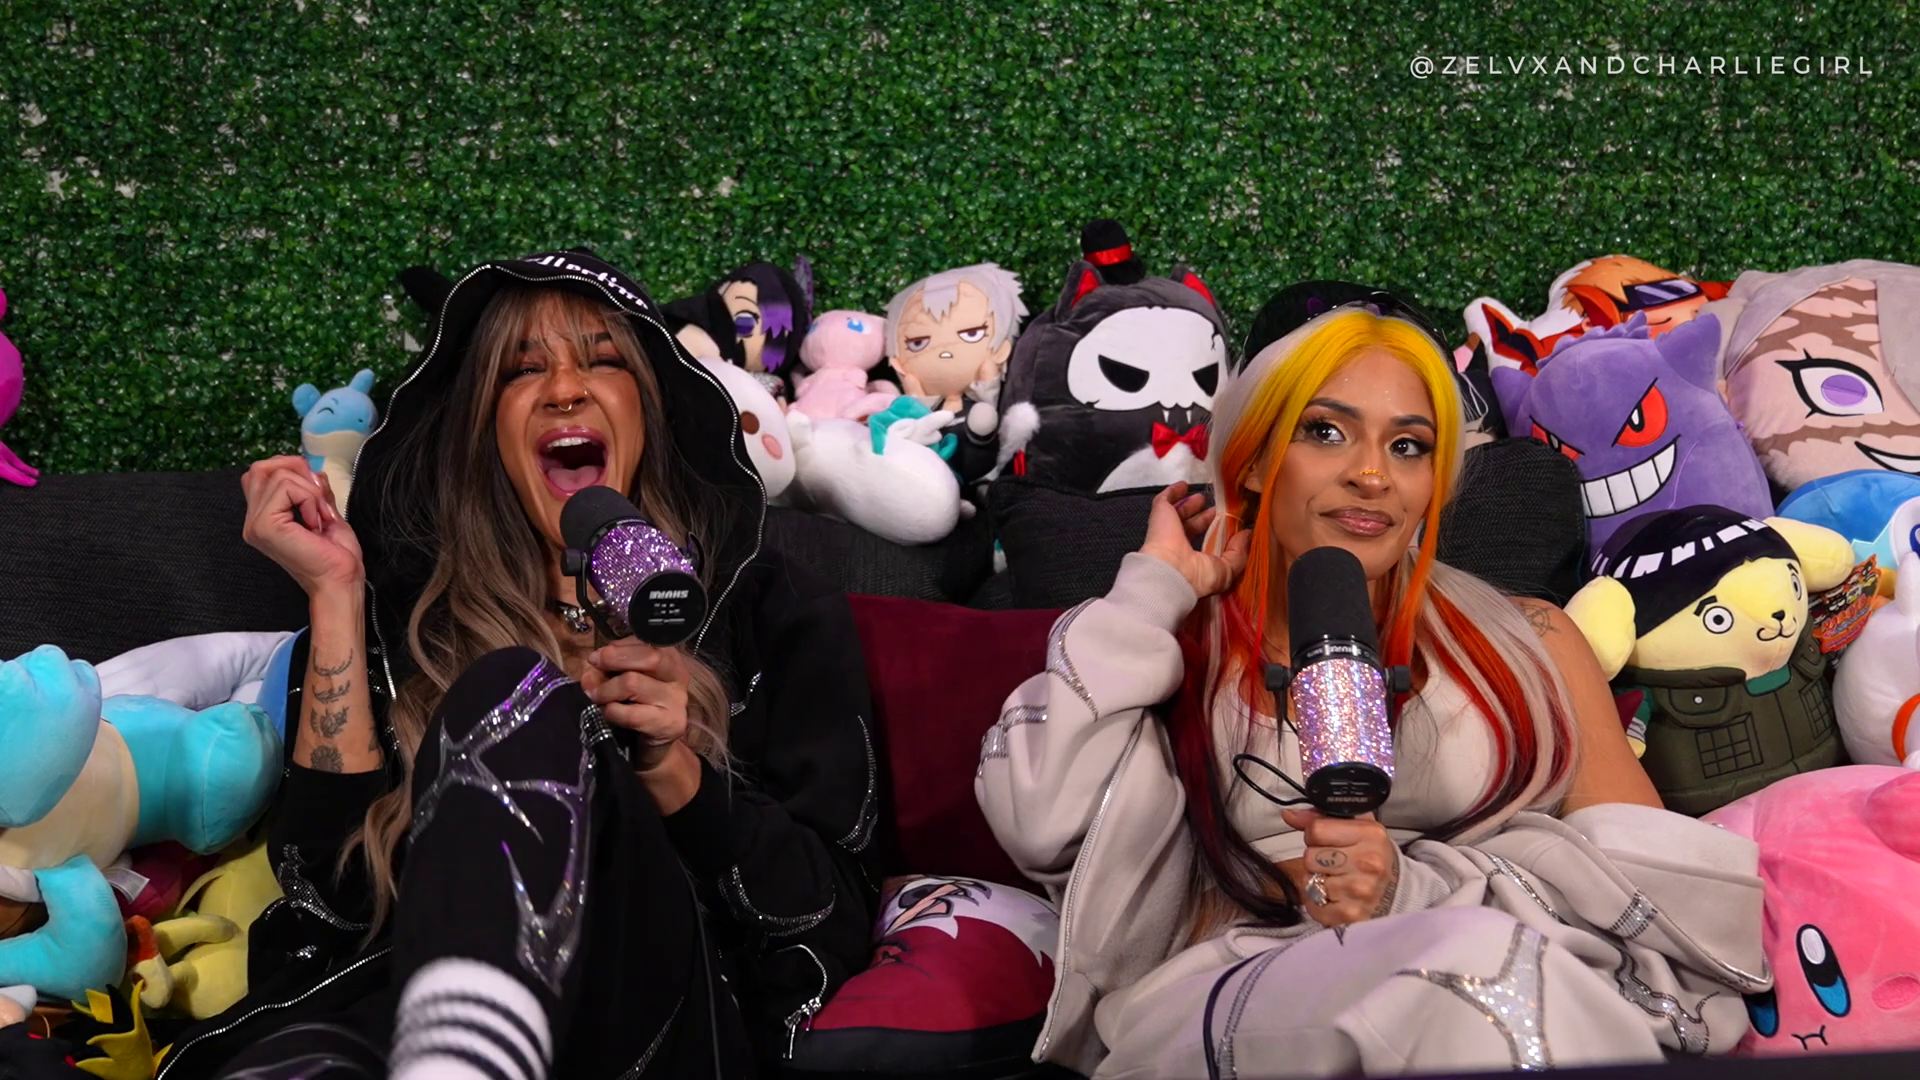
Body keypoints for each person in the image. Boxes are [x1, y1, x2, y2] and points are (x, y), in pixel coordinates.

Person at [976, 282, 1770, 1078]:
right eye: (1325, 432)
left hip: (1507, 984)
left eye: (1409, 446)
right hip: (1219, 1005)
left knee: (1481, 967)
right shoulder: (1157, 636)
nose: (1371, 475)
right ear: (1254, 458)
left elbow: (1656, 892)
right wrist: (1151, 591)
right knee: (1475, 969)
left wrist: (1413, 892)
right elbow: (1042, 823)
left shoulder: (1532, 641)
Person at [164, 249, 879, 1080]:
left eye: (604, 361)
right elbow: (330, 905)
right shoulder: (412, 619)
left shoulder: (765, 607)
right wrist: (336, 593)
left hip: (658, 1027)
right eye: (522, 369)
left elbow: (832, 916)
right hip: (401, 1013)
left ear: (652, 407)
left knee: (514, 689)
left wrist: (679, 774)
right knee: (306, 1059)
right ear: (485, 429)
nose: (566, 388)